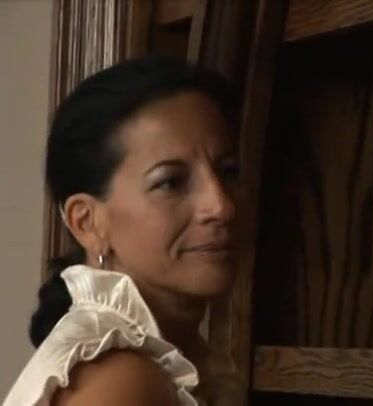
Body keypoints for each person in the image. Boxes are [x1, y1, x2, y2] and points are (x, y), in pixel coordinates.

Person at [3, 55, 244, 405]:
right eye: (171, 182)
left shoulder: (150, 360)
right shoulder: (123, 378)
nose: (221, 206)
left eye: (229, 171)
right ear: (87, 223)